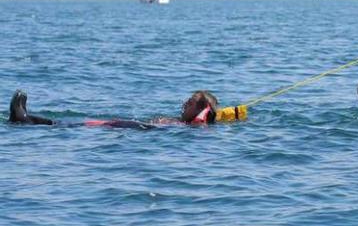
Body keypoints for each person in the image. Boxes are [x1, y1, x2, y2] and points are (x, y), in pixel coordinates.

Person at [8, 89, 235, 129]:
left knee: (78, 125)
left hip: (140, 129)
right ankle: (25, 119)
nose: (185, 103)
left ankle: (24, 120)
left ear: (201, 109)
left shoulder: (194, 128)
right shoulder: (187, 123)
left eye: (190, 102)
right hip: (136, 126)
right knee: (78, 123)